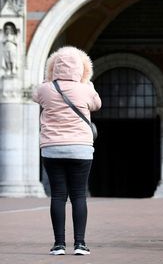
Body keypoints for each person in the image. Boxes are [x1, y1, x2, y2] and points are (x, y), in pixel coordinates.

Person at [32, 46, 102, 256]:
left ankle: (59, 244)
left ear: (54, 67)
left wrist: (49, 78)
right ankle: (80, 244)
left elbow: (36, 95)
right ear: (81, 68)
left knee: (58, 196)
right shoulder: (85, 88)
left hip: (52, 148)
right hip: (80, 148)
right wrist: (86, 82)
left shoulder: (45, 88)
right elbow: (97, 104)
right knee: (79, 196)